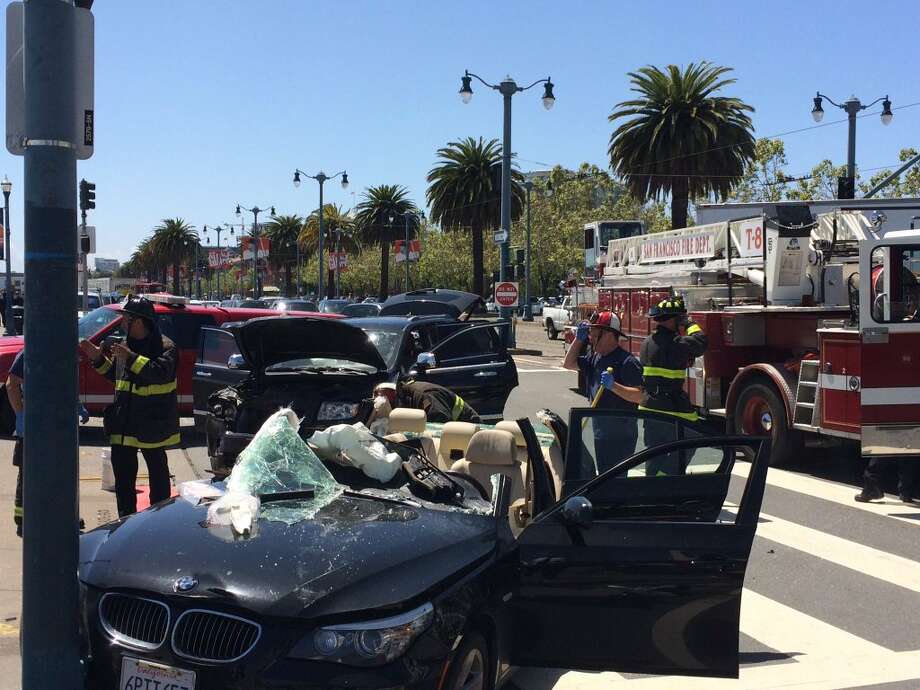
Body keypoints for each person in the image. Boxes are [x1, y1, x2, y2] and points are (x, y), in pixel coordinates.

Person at [78, 296, 179, 517]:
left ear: (140, 322)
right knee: (123, 483)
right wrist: (97, 358)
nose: (123, 323)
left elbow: (159, 373)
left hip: (151, 424)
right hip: (123, 425)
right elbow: (117, 377)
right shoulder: (126, 345)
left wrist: (131, 358)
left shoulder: (166, 347)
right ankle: (124, 524)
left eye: (126, 319)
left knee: (159, 478)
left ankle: (158, 522)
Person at [7, 349, 89, 536]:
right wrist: (20, 414)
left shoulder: (64, 351)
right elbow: (12, 384)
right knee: (28, 472)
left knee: (59, 472)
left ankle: (61, 516)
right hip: (34, 424)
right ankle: (23, 519)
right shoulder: (29, 352)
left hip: (56, 424)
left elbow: (67, 385)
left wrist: (77, 405)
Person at [562, 310, 643, 473]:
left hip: (621, 434)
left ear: (608, 335)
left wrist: (614, 386)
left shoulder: (626, 362)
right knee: (604, 476)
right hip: (601, 431)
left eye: (594, 333)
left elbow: (640, 396)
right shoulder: (595, 358)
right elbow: (568, 363)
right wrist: (578, 340)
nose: (590, 337)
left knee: (615, 481)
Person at [376, 379, 481, 424]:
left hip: (466, 427)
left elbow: (439, 424)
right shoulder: (407, 396)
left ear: (395, 394)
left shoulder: (426, 395)